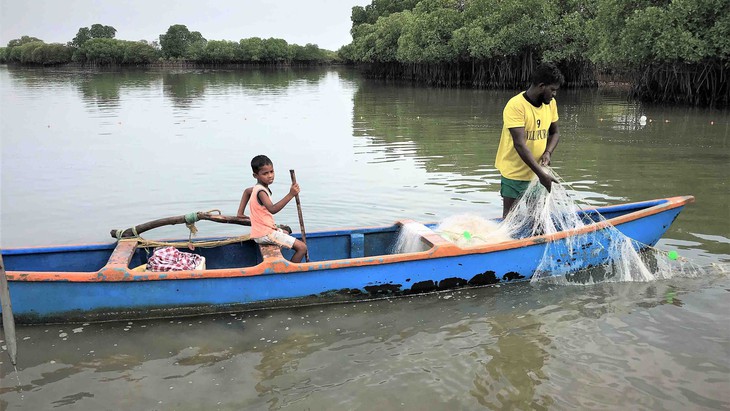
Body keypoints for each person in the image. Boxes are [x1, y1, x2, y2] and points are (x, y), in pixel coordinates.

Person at [494, 63, 564, 218]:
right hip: (514, 172)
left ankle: (535, 240)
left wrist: (548, 152)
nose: (554, 94)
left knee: (536, 216)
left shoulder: (550, 104)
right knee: (510, 217)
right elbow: (519, 144)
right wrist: (541, 174)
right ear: (541, 86)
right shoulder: (516, 106)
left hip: (537, 173)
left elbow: (555, 133)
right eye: (552, 89)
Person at [238, 155, 307, 263]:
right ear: (255, 175)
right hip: (265, 234)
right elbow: (273, 209)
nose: (270, 176)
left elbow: (247, 191)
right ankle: (290, 273)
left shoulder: (257, 188)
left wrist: (240, 213)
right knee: (302, 248)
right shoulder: (261, 192)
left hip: (261, 232)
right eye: (265, 173)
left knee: (285, 231)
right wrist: (291, 194)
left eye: (271, 171)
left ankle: (281, 260)